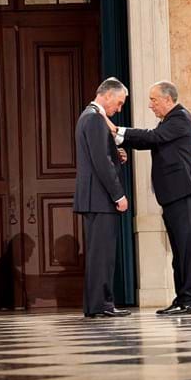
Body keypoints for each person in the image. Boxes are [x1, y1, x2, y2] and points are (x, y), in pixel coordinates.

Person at [106, 81, 191, 315]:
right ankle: (182, 298)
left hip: (184, 194)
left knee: (187, 250)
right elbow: (150, 139)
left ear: (168, 100)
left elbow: (152, 138)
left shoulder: (180, 118)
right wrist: (120, 136)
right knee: (179, 250)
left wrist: (118, 131)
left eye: (153, 100)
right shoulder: (170, 120)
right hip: (174, 195)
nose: (150, 105)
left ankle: (190, 300)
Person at [73, 77, 131, 318]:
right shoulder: (95, 119)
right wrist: (119, 195)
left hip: (94, 197)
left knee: (101, 254)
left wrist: (117, 156)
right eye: (118, 103)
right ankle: (101, 305)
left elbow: (101, 156)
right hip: (100, 198)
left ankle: (98, 304)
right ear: (107, 95)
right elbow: (100, 163)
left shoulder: (89, 117)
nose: (118, 109)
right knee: (102, 255)